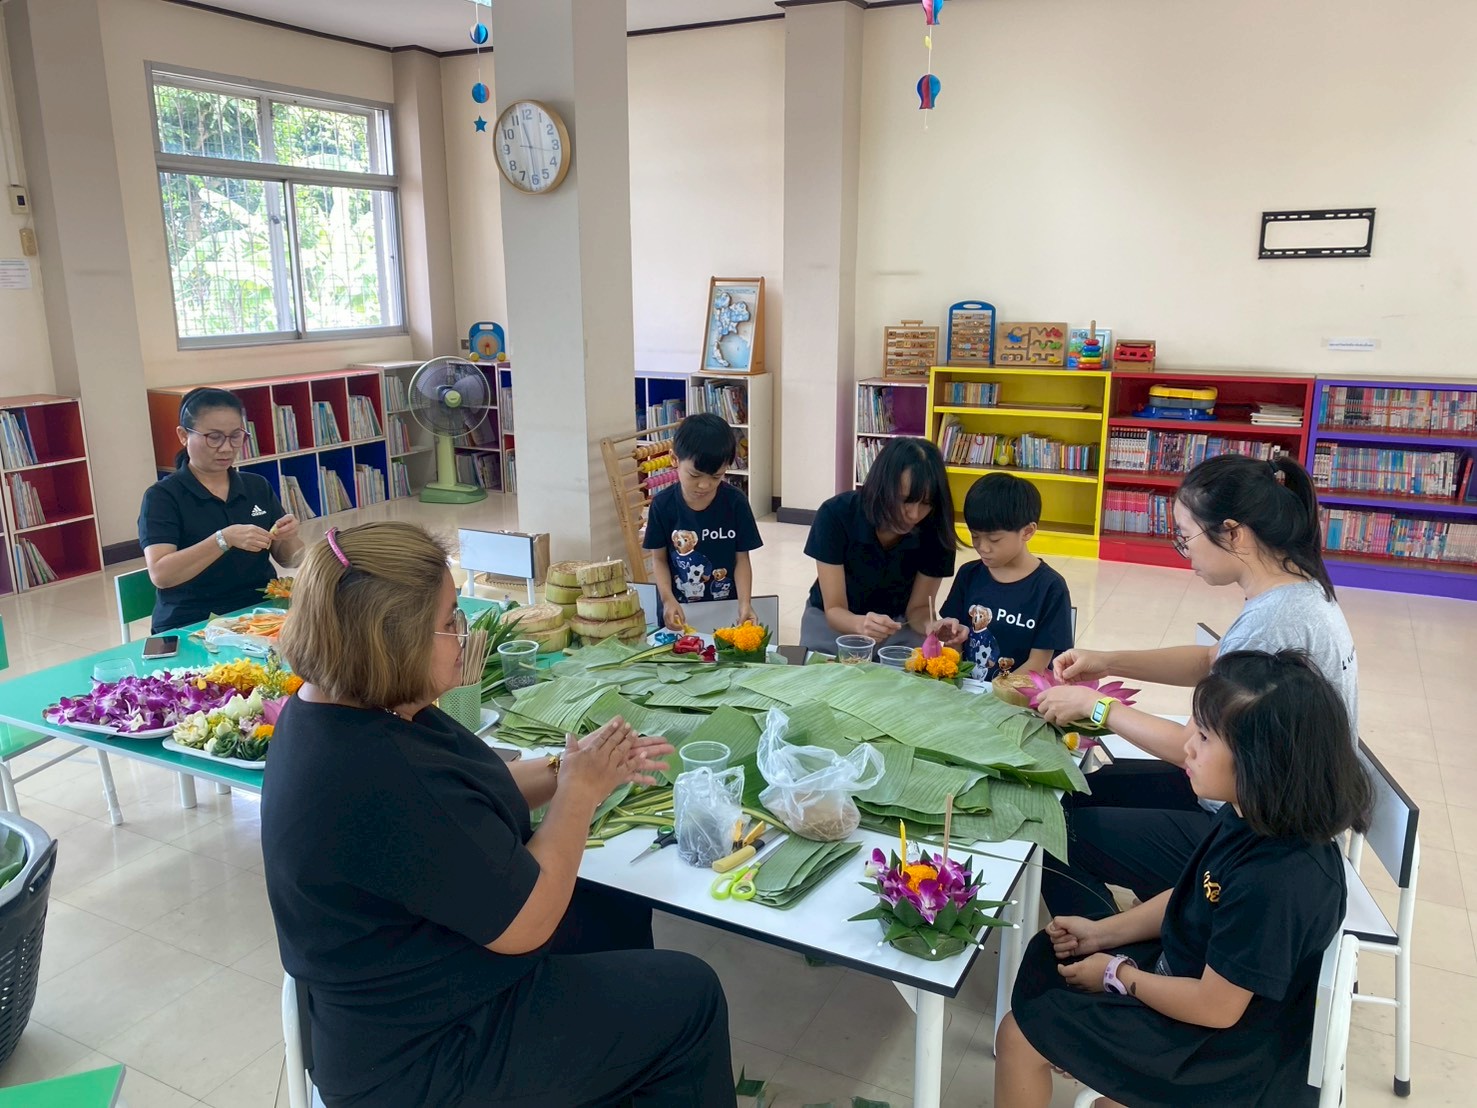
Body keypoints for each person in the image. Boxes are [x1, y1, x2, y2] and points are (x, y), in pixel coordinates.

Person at [261, 522, 735, 1108]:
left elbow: (466, 796)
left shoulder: (349, 708)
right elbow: (528, 924)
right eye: (449, 621)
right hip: (426, 1058)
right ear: (393, 640)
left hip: (430, 986)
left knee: (613, 907)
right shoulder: (375, 769)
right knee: (691, 996)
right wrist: (578, 795)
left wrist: (568, 768)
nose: (463, 635)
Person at [995, 649, 1372, 1108]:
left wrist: (1116, 974)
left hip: (1227, 1057)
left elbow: (1216, 1007)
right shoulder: (1252, 814)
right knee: (1051, 959)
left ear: (1262, 763)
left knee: (1018, 1036)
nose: (1188, 745)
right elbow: (1193, 893)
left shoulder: (1278, 881)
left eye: (1206, 737)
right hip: (1199, 983)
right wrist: (1102, 933)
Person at [1035, 453, 1359, 918]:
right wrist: (1107, 660)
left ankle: (1112, 945)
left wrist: (1095, 705)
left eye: (1185, 537)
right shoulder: (1294, 590)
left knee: (1054, 831)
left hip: (1259, 836)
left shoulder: (1274, 622)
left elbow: (1188, 747)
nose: (1184, 553)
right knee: (1082, 789)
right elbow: (1211, 661)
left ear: (1233, 533)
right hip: (1259, 795)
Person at [138, 387, 304, 632]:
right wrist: (222, 539)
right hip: (192, 620)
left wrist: (289, 537)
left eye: (236, 436)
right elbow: (161, 575)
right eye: (214, 437)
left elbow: (290, 560)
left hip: (259, 612)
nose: (227, 448)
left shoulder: (256, 486)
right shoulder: (162, 497)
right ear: (183, 435)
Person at [800, 437, 960, 654]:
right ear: (881, 488)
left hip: (899, 628)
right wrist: (860, 624)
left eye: (926, 503)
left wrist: (932, 625)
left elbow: (919, 609)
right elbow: (834, 610)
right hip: (832, 626)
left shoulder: (936, 529)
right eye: (905, 500)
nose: (914, 514)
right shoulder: (836, 514)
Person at [930, 473, 1073, 682]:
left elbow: (1038, 664)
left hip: (1019, 695)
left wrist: (997, 695)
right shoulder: (969, 574)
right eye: (975, 536)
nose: (982, 547)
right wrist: (950, 636)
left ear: (1027, 531)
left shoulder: (1050, 588)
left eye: (994, 539)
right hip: (969, 691)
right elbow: (955, 649)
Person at [643, 412, 763, 629]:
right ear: (674, 459)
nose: (705, 485)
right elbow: (659, 560)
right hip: (679, 609)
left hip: (726, 607)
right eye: (695, 475)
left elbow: (742, 560)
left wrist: (745, 603)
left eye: (716, 476)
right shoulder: (662, 505)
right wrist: (667, 599)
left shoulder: (735, 503)